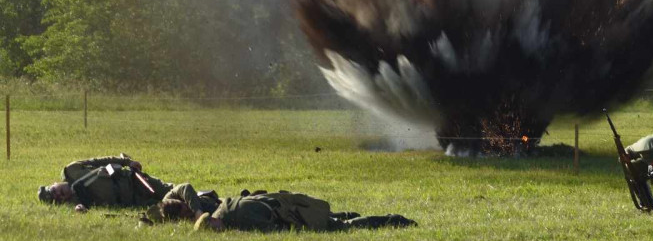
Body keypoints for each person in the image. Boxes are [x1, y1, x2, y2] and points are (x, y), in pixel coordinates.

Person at [192, 190, 415, 232]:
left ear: (213, 222)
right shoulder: (224, 208)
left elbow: (272, 229)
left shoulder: (240, 219)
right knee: (331, 217)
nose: (219, 234)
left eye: (214, 230)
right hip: (287, 201)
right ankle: (347, 214)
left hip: (293, 211)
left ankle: (393, 220)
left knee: (341, 228)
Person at [37, 153, 172, 211]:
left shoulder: (71, 169)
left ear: (54, 183)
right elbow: (80, 209)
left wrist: (127, 162)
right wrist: (80, 209)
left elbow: (99, 161)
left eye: (54, 191)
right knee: (171, 206)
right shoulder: (76, 201)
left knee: (172, 190)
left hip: (132, 179)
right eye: (58, 199)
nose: (59, 194)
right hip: (133, 200)